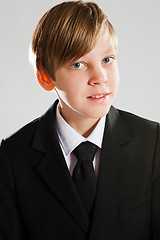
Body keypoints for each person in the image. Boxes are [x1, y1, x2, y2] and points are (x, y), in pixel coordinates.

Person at [0, 1, 160, 239]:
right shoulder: (12, 157)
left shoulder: (152, 141)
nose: (100, 77)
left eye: (107, 60)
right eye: (78, 64)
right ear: (45, 77)